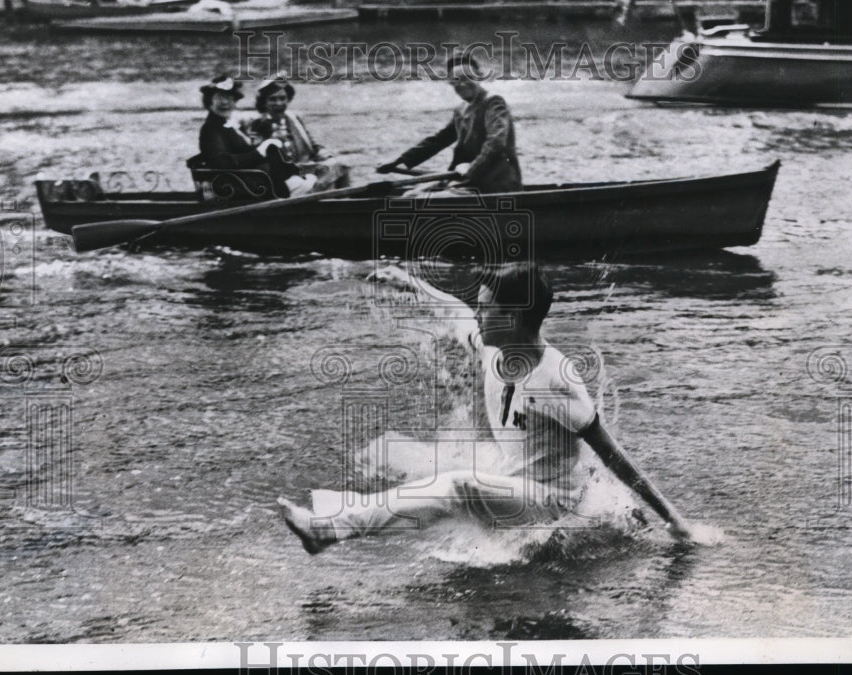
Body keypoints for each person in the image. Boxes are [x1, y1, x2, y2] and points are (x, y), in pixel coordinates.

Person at [277, 262, 695, 554]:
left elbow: (612, 454)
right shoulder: (496, 349)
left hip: (555, 505)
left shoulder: (556, 380)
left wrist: (673, 518)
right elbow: (455, 312)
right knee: (403, 459)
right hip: (518, 488)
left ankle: (328, 529)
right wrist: (411, 284)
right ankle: (339, 520)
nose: (478, 315)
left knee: (459, 485)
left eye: (486, 308)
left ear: (512, 318)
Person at [375, 54, 522, 194]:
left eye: (468, 77)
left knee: (421, 200)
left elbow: (496, 143)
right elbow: (438, 141)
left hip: (496, 183)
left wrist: (470, 171)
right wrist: (400, 162)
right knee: (410, 195)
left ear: (479, 76)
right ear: (451, 83)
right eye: (457, 79)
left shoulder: (493, 102)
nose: (463, 84)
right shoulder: (461, 110)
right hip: (467, 180)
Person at [197, 76, 304, 199]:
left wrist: (263, 146)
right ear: (209, 101)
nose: (225, 102)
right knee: (310, 185)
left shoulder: (226, 125)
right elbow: (222, 162)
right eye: (219, 97)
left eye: (229, 97)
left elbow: (241, 151)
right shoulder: (211, 128)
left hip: (250, 182)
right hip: (238, 187)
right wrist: (259, 152)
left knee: (302, 179)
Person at [244, 77, 350, 191]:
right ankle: (310, 193)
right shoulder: (257, 124)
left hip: (305, 167)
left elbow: (312, 146)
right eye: (272, 99)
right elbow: (257, 157)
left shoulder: (293, 118)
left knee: (340, 165)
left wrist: (325, 154)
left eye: (282, 98)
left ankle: (341, 199)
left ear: (288, 99)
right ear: (264, 102)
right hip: (283, 176)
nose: (278, 103)